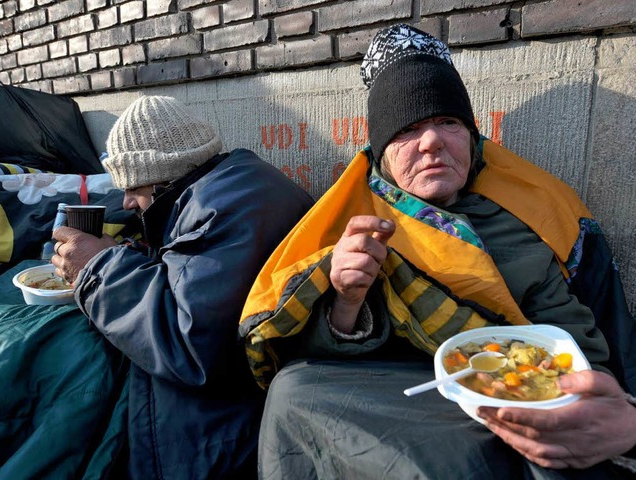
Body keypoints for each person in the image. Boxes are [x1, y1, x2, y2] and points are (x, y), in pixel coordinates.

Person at [237, 24, 636, 479]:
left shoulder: (529, 214)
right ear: (382, 153)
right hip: (412, 399)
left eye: (448, 122)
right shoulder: (356, 223)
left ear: (472, 137)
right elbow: (312, 357)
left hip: (523, 394)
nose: (432, 142)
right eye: (408, 128)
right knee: (295, 391)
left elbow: (581, 338)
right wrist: (345, 302)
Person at [51, 95, 314, 479]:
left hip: (231, 426)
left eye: (134, 188)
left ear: (162, 178)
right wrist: (122, 256)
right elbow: (189, 273)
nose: (125, 202)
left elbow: (189, 341)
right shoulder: (229, 185)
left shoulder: (221, 208)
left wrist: (97, 268)